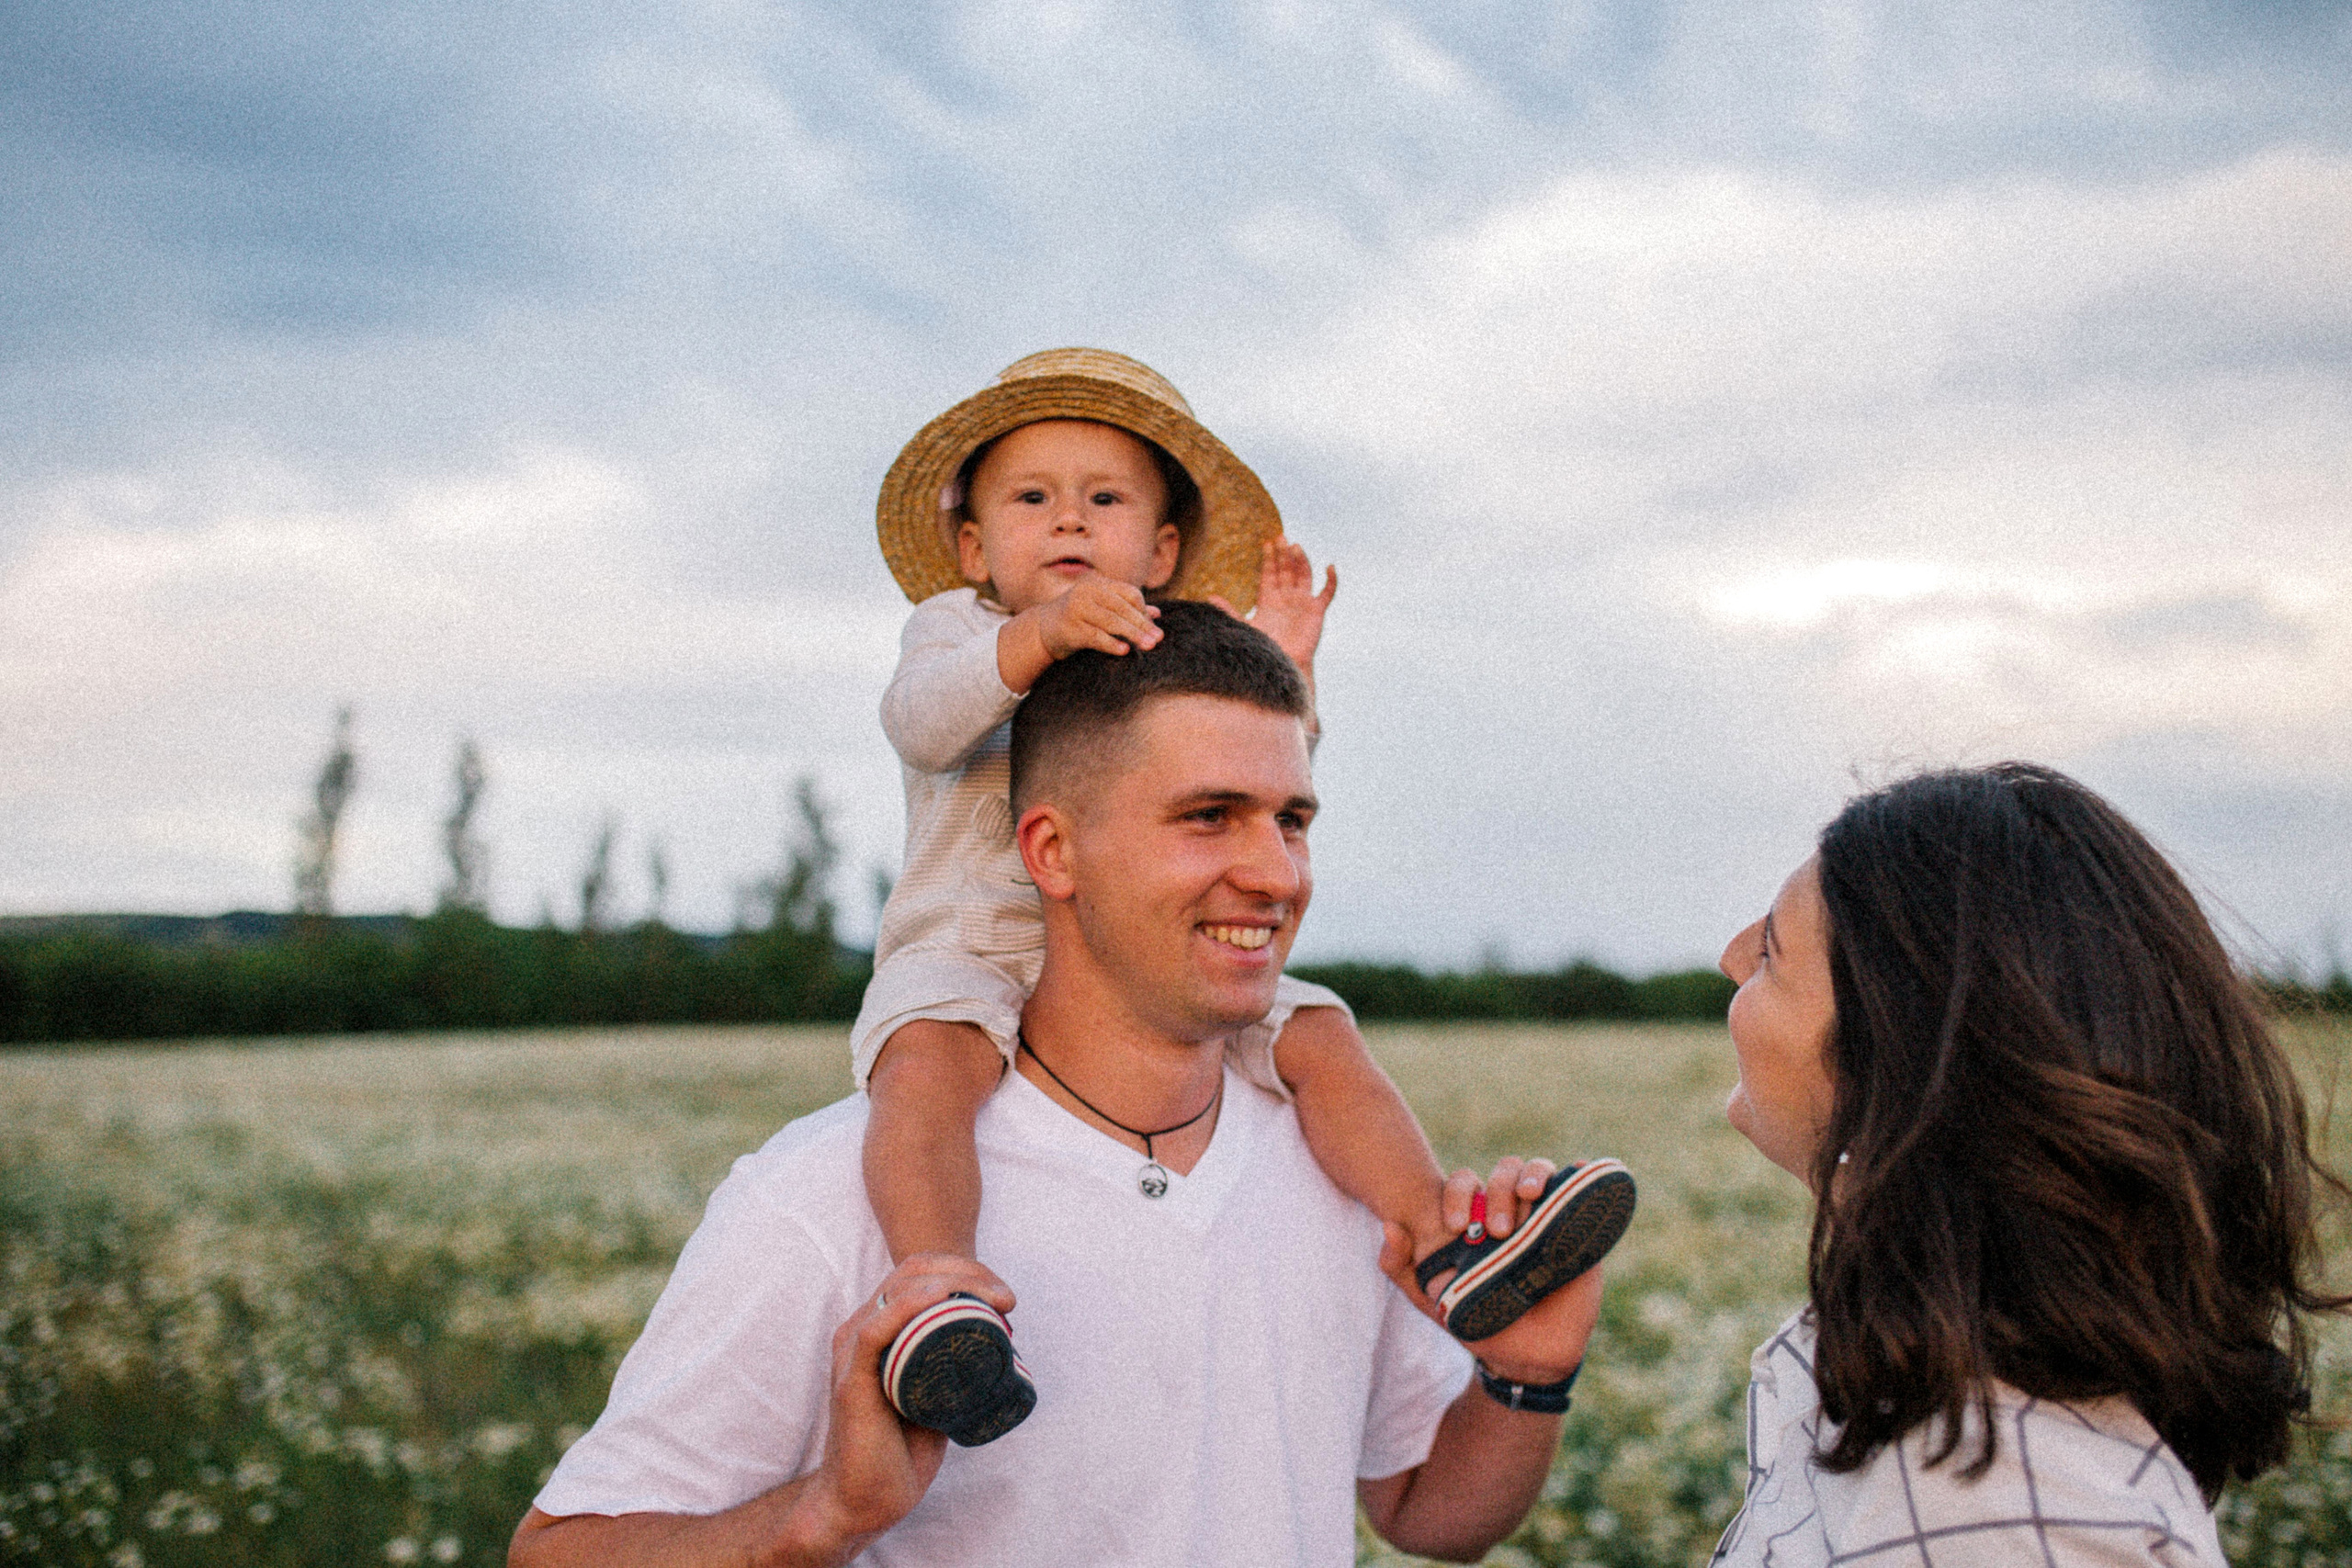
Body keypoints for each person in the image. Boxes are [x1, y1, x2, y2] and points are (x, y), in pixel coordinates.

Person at [509, 602, 1604, 1567]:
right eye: (1208, 815)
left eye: (1293, 819)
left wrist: (1527, 1380)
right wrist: (820, 1522)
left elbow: (1429, 1515)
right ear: (1052, 852)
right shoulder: (823, 1196)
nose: (1275, 873)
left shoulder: (1337, 1166)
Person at [856, 348, 1630, 1440]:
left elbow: (1248, 767)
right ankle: (940, 1293)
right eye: (1032, 498)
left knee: (1317, 1030)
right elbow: (921, 721)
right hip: (973, 944)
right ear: (973, 545)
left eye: (1106, 498)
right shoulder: (959, 632)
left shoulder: (1166, 650)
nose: (1068, 521)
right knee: (926, 1067)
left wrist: (1289, 675)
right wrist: (1039, 639)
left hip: (1148, 963)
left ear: (1163, 549)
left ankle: (1442, 1241)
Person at [1709, 762, 2346, 1567]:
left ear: (1896, 1069)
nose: (1732, 956)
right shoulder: (1956, 1412)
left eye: (1771, 951)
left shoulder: (1990, 1488)